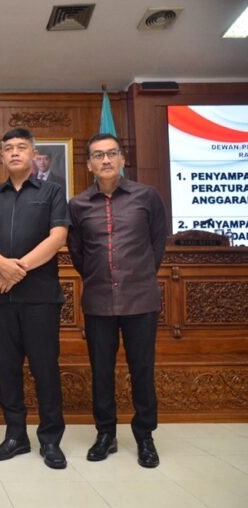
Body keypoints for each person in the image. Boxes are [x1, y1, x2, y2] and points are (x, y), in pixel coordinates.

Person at [0, 128, 69, 469]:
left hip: (40, 297)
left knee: (45, 370)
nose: (14, 152)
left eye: (21, 147)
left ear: (33, 154)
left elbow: (57, 237)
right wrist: (0, 265)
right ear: (2, 156)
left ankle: (51, 440)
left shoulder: (52, 192)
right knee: (7, 369)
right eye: (8, 148)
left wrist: (17, 269)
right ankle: (15, 436)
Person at [67, 133, 167, 468]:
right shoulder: (78, 205)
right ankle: (105, 434)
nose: (105, 160)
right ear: (89, 164)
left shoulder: (146, 196)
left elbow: (157, 244)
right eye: (98, 155)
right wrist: (102, 279)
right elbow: (78, 253)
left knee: (142, 370)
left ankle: (145, 436)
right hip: (97, 302)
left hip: (141, 300)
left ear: (123, 159)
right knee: (102, 372)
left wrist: (136, 276)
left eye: (112, 154)